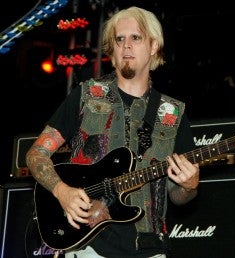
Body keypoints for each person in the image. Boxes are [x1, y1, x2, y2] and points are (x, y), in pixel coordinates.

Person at [26, 6, 200, 258]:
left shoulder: (173, 113)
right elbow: (36, 154)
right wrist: (62, 191)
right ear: (113, 51)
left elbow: (178, 196)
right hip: (88, 244)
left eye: (136, 38)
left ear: (153, 46)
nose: (126, 46)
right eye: (120, 39)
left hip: (148, 247)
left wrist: (189, 186)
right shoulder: (86, 95)